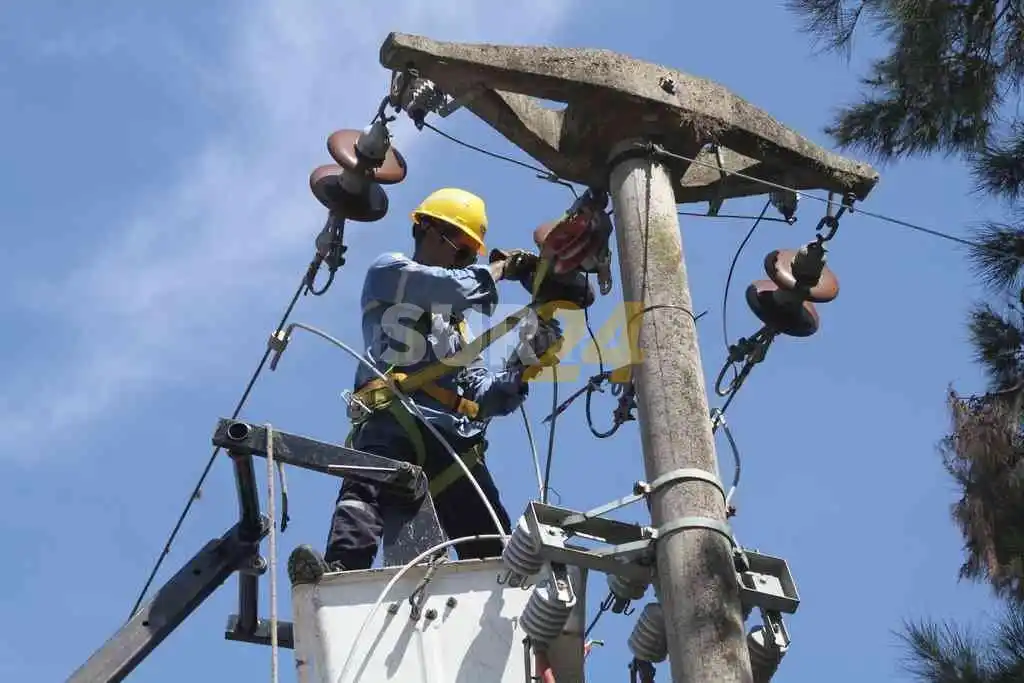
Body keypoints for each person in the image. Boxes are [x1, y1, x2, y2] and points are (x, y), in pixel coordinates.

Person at [288, 187, 562, 583]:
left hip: (447, 436)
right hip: (392, 419)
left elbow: (482, 396)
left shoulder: (457, 329)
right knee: (366, 490)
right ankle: (340, 576)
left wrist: (523, 364)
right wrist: (502, 269)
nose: (462, 261)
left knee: (489, 537)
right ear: (428, 230)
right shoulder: (389, 273)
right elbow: (452, 288)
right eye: (461, 249)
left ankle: (507, 595)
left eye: (470, 256)